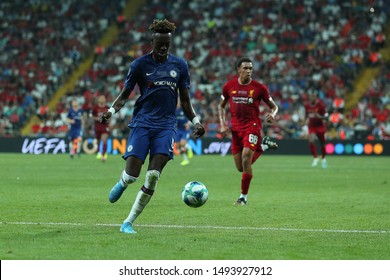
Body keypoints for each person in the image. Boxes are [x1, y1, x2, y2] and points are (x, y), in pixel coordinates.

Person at [100, 19, 205, 234]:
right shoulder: (139, 65)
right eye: (160, 44)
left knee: (153, 176)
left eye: (167, 43)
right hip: (143, 123)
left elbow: (185, 101)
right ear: (152, 41)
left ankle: (128, 222)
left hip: (166, 125)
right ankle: (122, 182)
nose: (164, 47)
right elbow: (124, 95)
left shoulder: (180, 66)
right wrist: (110, 112)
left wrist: (196, 121)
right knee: (132, 176)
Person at [218, 57, 279, 206]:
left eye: (250, 68)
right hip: (235, 129)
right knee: (241, 167)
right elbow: (221, 106)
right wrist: (223, 124)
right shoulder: (228, 87)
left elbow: (274, 106)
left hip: (252, 127)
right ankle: (263, 146)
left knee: (246, 158)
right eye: (245, 68)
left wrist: (273, 115)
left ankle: (243, 197)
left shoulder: (259, 88)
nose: (248, 71)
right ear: (238, 70)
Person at [304, 92, 328, 168]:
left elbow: (325, 117)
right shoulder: (307, 106)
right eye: (310, 97)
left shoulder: (321, 106)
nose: (311, 98)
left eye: (313, 97)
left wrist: (319, 116)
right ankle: (315, 158)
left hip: (320, 126)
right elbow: (306, 115)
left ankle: (323, 158)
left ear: (316, 98)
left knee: (322, 143)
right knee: (311, 140)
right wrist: (305, 121)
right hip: (312, 126)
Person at [91, 95, 110, 162]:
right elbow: (92, 116)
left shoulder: (107, 107)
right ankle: (99, 151)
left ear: (105, 99)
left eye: (103, 98)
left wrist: (107, 119)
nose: (102, 99)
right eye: (100, 98)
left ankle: (104, 155)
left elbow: (110, 117)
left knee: (104, 139)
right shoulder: (95, 107)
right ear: (98, 99)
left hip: (105, 126)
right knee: (98, 140)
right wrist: (98, 118)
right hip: (97, 126)